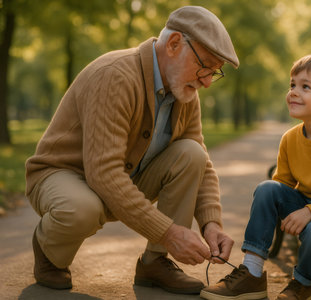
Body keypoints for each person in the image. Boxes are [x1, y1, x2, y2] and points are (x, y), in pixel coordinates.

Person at [25, 5, 239, 295]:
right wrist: (170, 233)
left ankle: (154, 264)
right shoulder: (115, 76)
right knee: (82, 209)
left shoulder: (184, 91)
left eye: (214, 73)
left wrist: (211, 224)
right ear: (174, 44)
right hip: (63, 174)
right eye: (204, 67)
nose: (206, 82)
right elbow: (103, 173)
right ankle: (49, 251)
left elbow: (202, 164)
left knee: (192, 153)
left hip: (123, 176)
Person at [200, 54, 311, 300]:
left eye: (305, 87)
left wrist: (310, 213)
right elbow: (282, 184)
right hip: (308, 201)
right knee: (267, 188)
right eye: (292, 84)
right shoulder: (291, 138)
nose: (293, 91)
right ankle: (252, 272)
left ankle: (301, 285)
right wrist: (285, 207)